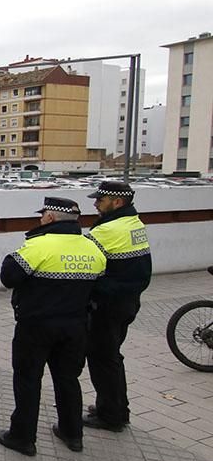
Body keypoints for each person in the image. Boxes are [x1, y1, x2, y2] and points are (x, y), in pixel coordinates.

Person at [0, 197, 107, 456]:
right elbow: (98, 286)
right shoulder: (93, 248)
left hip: (36, 326)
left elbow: (8, 277)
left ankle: (22, 437)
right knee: (68, 379)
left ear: (51, 218)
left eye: (43, 215)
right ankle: (72, 433)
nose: (40, 219)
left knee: (28, 380)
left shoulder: (38, 245)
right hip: (76, 326)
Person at [83, 181, 152, 431]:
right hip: (128, 301)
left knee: (102, 358)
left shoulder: (107, 230)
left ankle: (109, 415)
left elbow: (83, 259)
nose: (95, 204)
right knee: (112, 356)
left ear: (117, 202)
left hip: (107, 305)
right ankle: (117, 407)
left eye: (100, 200)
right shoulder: (135, 223)